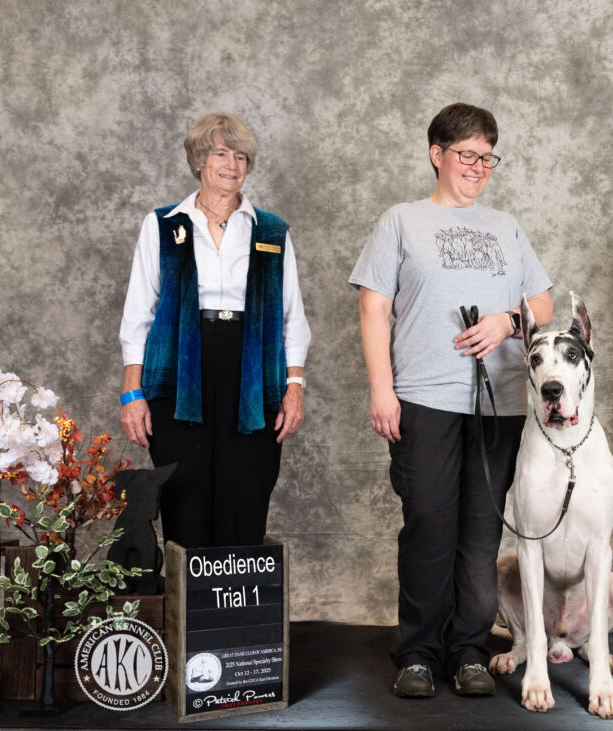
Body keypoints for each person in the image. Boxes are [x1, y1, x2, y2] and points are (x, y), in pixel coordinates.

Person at [349, 103, 553, 698]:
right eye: (467, 155)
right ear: (436, 154)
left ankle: (468, 651)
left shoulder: (507, 227)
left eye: (488, 157)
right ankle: (417, 654)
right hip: (424, 399)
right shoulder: (401, 221)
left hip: (500, 405)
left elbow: (541, 304)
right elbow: (373, 308)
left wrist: (507, 321)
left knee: (481, 535)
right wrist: (383, 389)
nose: (478, 167)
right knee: (429, 528)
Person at [119, 113, 311, 548]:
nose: (232, 164)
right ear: (199, 161)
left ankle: (239, 594)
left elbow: (292, 318)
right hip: (178, 373)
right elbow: (138, 315)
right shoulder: (162, 225)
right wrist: (132, 392)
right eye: (221, 154)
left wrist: (294, 386)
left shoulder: (272, 230)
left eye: (241, 156)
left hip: (254, 375)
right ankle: (188, 594)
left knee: (246, 493)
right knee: (183, 495)